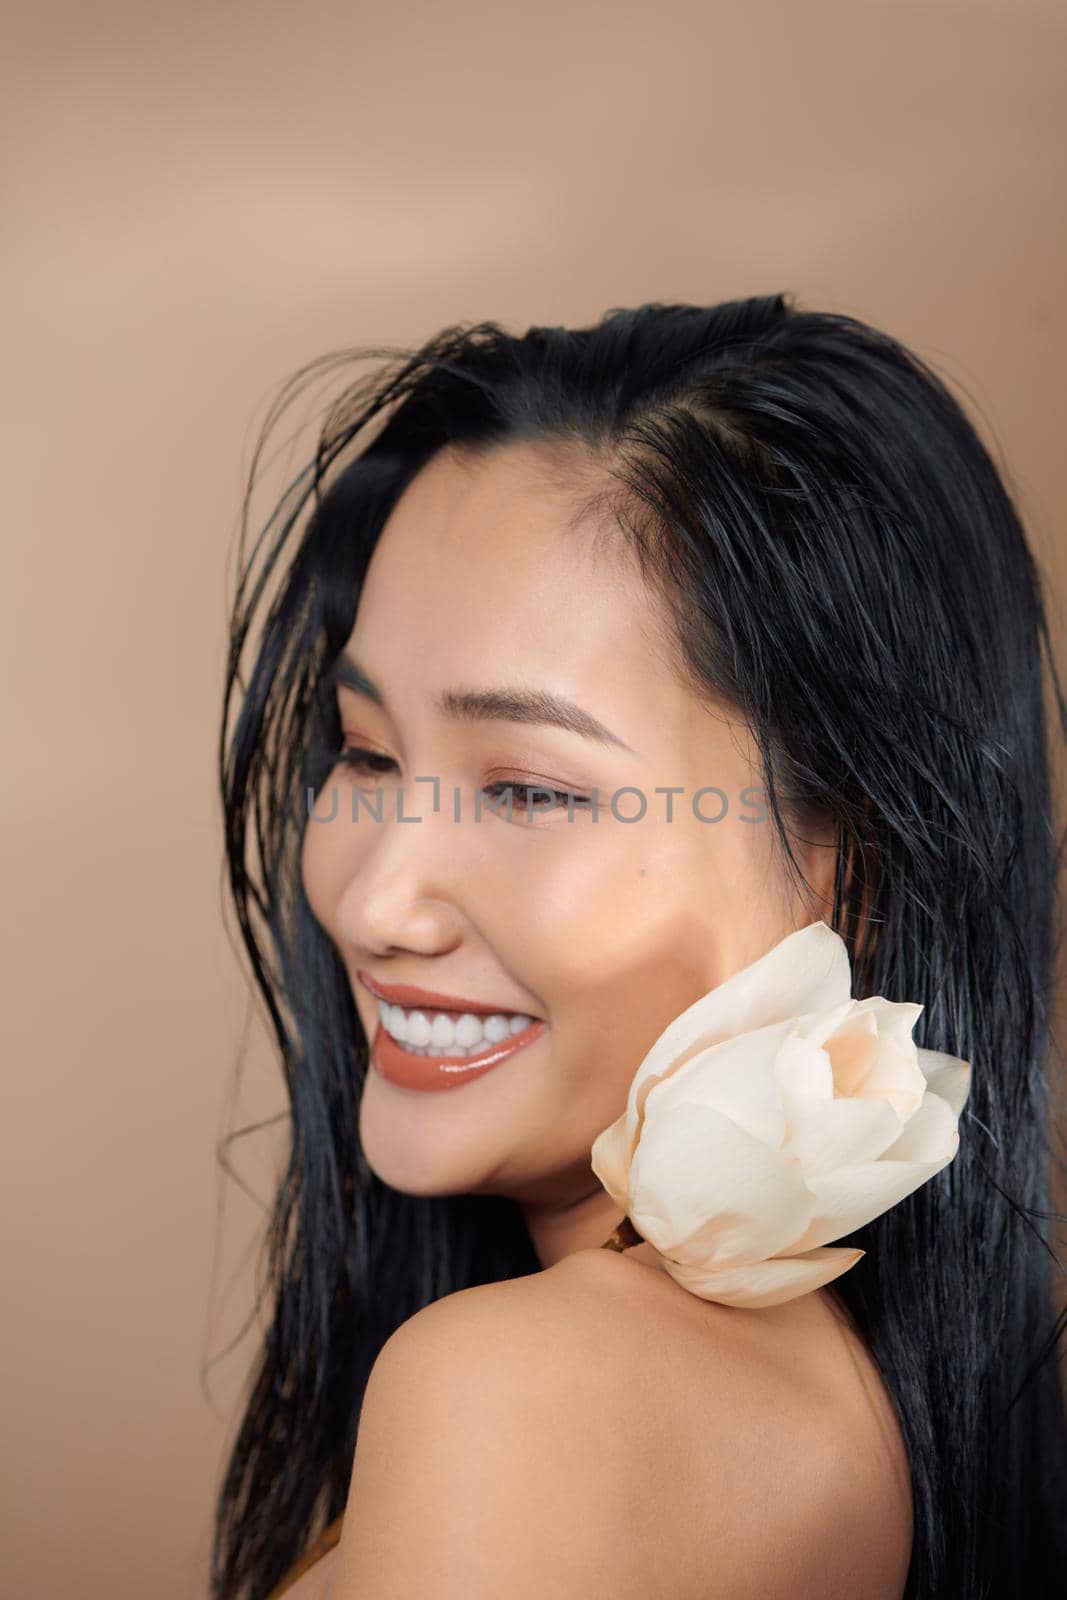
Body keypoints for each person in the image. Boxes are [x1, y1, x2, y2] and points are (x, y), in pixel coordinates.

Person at [212, 295, 1067, 1599]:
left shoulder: (518, 1401)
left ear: (858, 863)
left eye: (531, 791)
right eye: (369, 753)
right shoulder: (833, 1394)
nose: (379, 902)